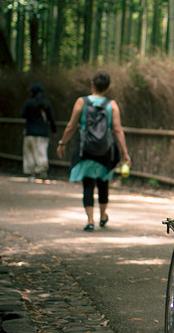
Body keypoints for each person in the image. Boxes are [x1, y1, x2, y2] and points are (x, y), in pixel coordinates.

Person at [56, 70, 131, 231]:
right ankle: (103, 216)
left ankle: (90, 220)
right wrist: (124, 152)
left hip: (86, 149)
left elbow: (71, 126)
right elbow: (117, 130)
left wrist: (62, 142)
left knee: (88, 183)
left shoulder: (81, 102)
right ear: (108, 87)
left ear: (92, 84)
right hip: (106, 150)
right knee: (103, 183)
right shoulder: (112, 105)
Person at [21, 82, 57, 182]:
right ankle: (43, 173)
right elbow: (51, 118)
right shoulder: (46, 103)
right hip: (42, 132)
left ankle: (32, 175)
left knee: (30, 153)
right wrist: (54, 130)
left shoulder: (28, 103)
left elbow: (23, 115)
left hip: (30, 131)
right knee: (41, 152)